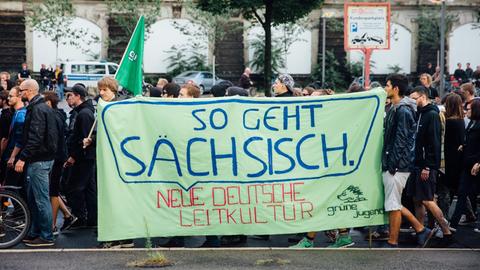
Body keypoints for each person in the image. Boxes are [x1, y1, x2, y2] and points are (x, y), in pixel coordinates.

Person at [381, 74, 433, 248]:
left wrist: (392, 165)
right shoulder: (396, 108)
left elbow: (402, 140)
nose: (385, 88)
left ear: (396, 89)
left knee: (393, 203)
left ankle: (393, 241)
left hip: (397, 165)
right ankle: (420, 229)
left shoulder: (402, 110)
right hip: (397, 164)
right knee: (393, 202)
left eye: (387, 85)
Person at [15, 79, 58, 247]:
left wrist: (22, 158)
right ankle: (35, 232)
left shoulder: (38, 109)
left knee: (40, 200)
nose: (20, 93)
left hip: (39, 160)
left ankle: (46, 236)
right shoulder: (40, 107)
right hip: (41, 158)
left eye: (21, 90)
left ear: (29, 91)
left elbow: (36, 137)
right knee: (34, 199)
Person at [408, 87, 453, 243]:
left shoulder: (432, 115)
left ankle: (446, 231)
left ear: (423, 97)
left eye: (414, 99)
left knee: (427, 199)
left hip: (425, 166)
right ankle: (420, 229)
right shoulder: (420, 114)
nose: (412, 102)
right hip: (416, 163)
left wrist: (428, 166)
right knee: (416, 199)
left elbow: (433, 142)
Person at [42, 91, 77, 234]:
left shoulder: (53, 116)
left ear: (49, 102)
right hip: (59, 155)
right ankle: (68, 216)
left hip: (57, 156)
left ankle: (53, 225)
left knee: (53, 191)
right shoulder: (58, 115)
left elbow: (54, 139)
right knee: (52, 189)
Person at [63, 84, 96, 231]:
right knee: (89, 189)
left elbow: (83, 140)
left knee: (75, 188)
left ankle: (80, 217)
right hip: (85, 157)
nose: (67, 98)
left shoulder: (84, 114)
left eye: (69, 95)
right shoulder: (83, 112)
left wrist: (73, 156)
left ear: (78, 96)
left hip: (84, 158)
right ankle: (91, 219)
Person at [449, 99, 480, 232]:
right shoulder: (472, 124)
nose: (466, 111)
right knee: (462, 193)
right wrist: (465, 146)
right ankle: (452, 226)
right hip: (468, 164)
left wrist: (479, 162)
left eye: (469, 109)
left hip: (476, 164)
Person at [443, 93, 465, 215]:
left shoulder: (449, 122)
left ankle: (445, 217)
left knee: (448, 189)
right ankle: (470, 213)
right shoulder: (461, 120)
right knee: (457, 188)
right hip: (458, 157)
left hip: (449, 157)